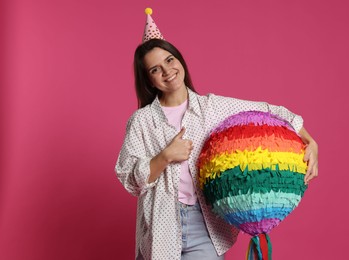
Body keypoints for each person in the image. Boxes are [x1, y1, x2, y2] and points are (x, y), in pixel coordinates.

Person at [115, 9, 318, 260]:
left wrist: (311, 141)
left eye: (169, 60)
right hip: (160, 226)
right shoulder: (141, 121)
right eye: (155, 69)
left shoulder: (212, 108)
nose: (167, 71)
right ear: (148, 79)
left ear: (179, 60)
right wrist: (164, 157)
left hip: (204, 225)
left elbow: (271, 110)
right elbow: (129, 179)